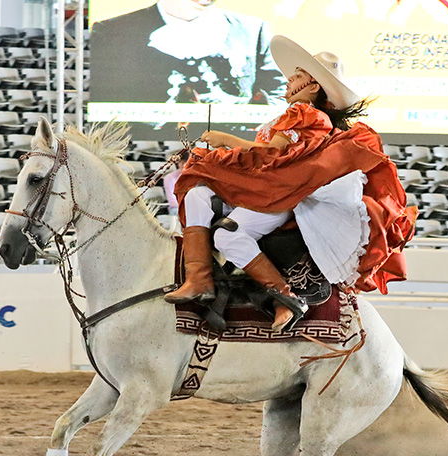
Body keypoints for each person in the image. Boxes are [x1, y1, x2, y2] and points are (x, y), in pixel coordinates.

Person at [165, 35, 417, 332]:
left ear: (312, 87)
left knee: (226, 236)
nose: (288, 80)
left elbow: (273, 154)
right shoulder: (296, 116)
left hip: (275, 194)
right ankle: (199, 277)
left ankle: (285, 297)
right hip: (264, 189)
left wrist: (225, 141)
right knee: (196, 194)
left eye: (296, 76)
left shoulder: (305, 113)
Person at [90, 0, 286, 106]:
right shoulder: (111, 32)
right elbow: (101, 101)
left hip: (235, 157)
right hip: (146, 155)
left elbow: (280, 98)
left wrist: (238, 105)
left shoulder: (253, 30)